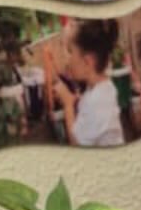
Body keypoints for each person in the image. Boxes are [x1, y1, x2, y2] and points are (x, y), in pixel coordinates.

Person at [51, 16, 124, 147]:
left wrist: (68, 104)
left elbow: (76, 144)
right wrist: (79, 100)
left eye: (70, 51)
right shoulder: (103, 87)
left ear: (87, 62)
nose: (66, 60)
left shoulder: (96, 102)